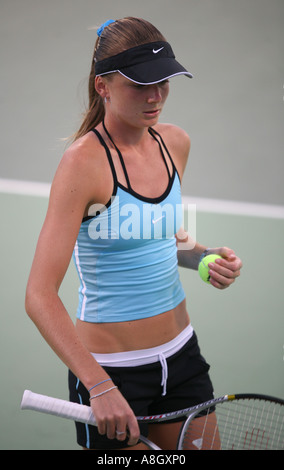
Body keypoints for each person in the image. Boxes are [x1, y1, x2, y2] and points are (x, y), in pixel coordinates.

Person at [25, 17, 242, 450]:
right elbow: (39, 295)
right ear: (102, 85)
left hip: (182, 358)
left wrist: (201, 256)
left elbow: (158, 234)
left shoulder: (174, 143)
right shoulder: (83, 164)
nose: (155, 95)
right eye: (140, 84)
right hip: (112, 372)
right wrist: (99, 386)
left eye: (163, 81)